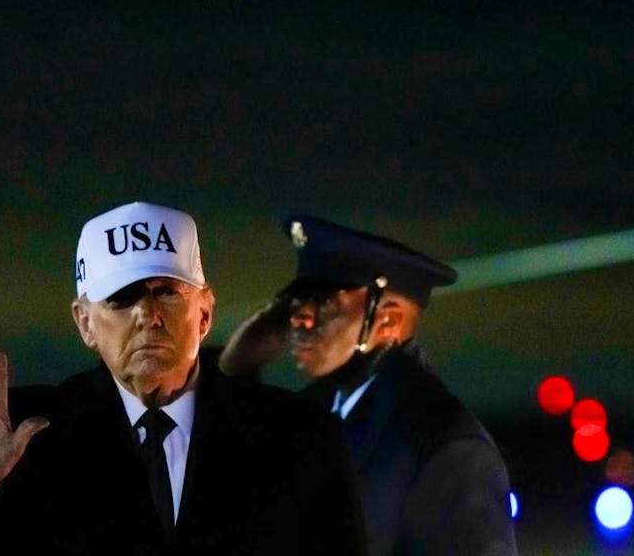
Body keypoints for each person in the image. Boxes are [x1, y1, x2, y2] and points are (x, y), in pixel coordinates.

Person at [0, 202, 366, 555]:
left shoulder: (301, 436)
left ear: (204, 312)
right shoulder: (19, 437)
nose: (148, 316)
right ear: (84, 323)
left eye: (166, 292)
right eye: (121, 300)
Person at [220, 214, 517, 556]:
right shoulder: (312, 413)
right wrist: (238, 367)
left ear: (388, 319)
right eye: (297, 301)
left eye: (325, 302)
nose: (299, 318)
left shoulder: (444, 443)